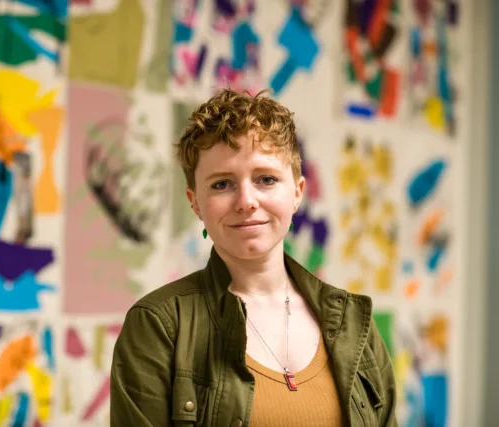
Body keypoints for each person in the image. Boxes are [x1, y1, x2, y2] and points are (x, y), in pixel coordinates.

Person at [110, 88, 397, 426]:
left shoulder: (353, 322)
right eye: (221, 184)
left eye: (266, 179)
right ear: (195, 203)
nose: (246, 201)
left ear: (297, 193)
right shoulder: (158, 326)